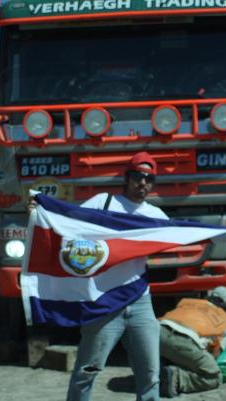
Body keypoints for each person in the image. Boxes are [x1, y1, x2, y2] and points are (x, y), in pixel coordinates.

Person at [66, 152, 167, 401]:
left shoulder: (157, 216)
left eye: (148, 178)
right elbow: (68, 224)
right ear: (126, 178)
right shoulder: (103, 203)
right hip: (104, 301)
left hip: (140, 301)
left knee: (150, 374)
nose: (142, 183)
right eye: (137, 177)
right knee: (87, 371)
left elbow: (183, 236)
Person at [158, 286, 226, 398]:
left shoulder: (186, 302)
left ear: (209, 297)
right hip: (183, 341)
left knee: (171, 351)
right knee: (214, 377)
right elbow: (215, 354)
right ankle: (177, 378)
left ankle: (157, 370)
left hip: (155, 333)